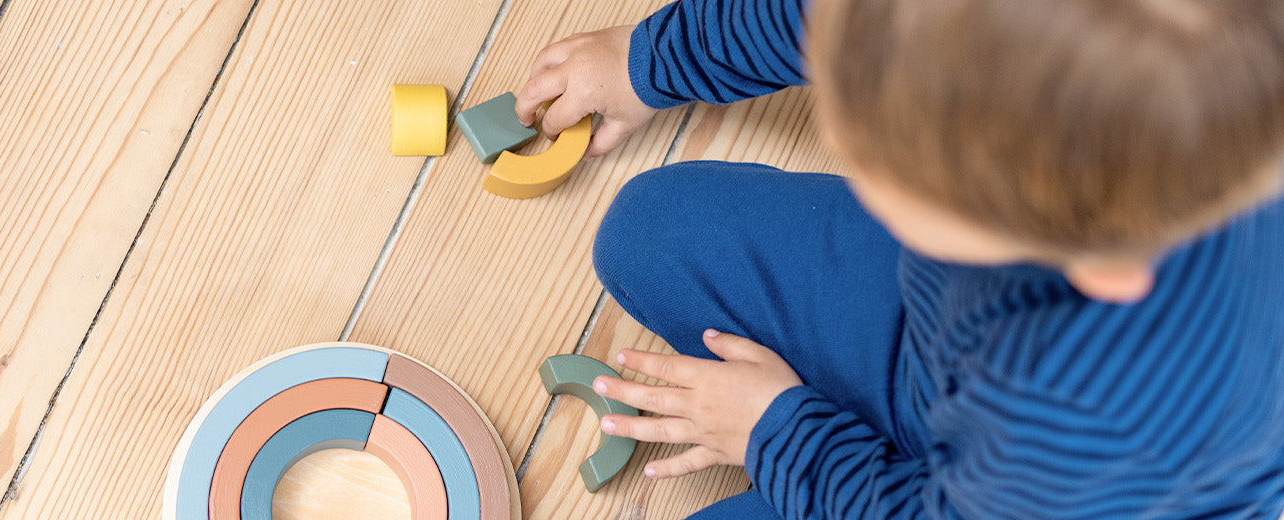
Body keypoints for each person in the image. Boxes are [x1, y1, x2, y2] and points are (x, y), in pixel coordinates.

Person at [517, 0, 1284, 517]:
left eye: (890, 176)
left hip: (1014, 483)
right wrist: (648, 60)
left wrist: (775, 432)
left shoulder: (1088, 415)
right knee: (651, 231)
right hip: (945, 328)